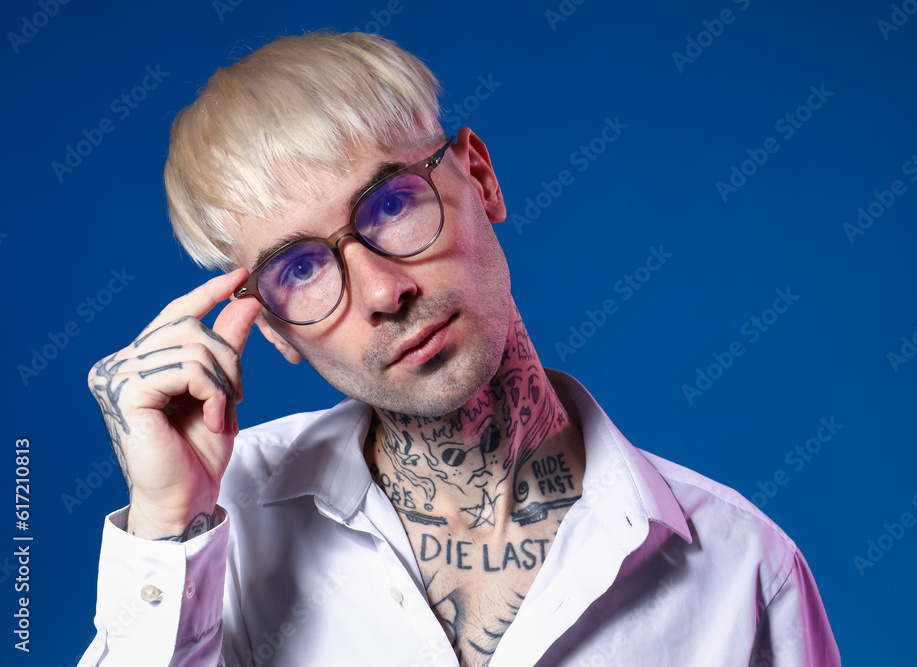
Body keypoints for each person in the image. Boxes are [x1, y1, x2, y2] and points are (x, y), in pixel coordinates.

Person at [79, 31, 840, 667]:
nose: (382, 291)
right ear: (272, 326)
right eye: (301, 268)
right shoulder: (217, 531)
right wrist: (165, 525)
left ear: (480, 176)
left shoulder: (744, 569)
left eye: (392, 203)